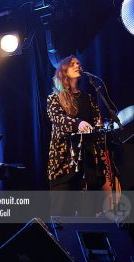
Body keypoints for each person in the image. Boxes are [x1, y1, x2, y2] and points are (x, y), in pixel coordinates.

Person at [47, 55, 111, 215]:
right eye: (72, 63)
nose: (77, 65)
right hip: (65, 164)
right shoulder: (54, 98)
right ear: (63, 70)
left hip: (89, 162)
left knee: (90, 217)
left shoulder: (89, 99)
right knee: (62, 215)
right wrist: (78, 123)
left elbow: (98, 126)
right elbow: (57, 118)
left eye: (79, 63)